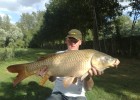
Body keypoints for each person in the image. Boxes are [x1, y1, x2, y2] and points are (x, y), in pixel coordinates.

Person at [38, 29, 100, 100]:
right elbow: (52, 79)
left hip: (78, 96)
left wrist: (88, 77)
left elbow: (89, 88)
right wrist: (46, 74)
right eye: (70, 40)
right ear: (66, 41)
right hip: (58, 93)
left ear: (80, 42)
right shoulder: (58, 55)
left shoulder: (86, 57)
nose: (73, 43)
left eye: (75, 41)